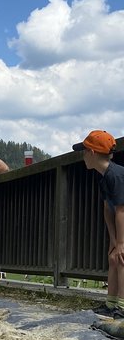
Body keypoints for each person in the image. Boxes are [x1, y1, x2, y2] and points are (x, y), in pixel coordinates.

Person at [72, 130, 124, 319]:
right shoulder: (102, 175)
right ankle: (111, 304)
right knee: (113, 258)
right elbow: (107, 208)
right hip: (119, 223)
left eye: (84, 151)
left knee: (122, 259)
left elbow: (121, 210)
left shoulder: (115, 175)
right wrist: (113, 240)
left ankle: (122, 308)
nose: (83, 156)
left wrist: (121, 243)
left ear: (92, 153)